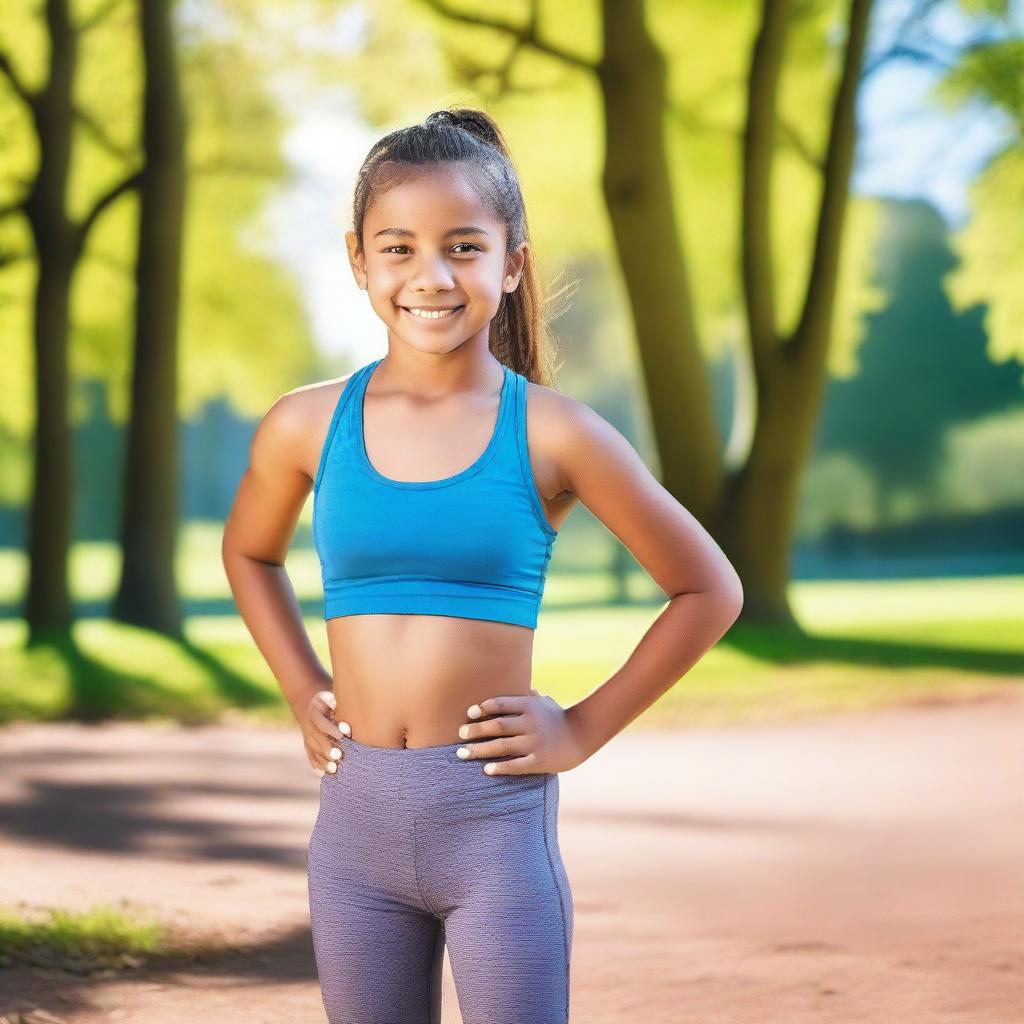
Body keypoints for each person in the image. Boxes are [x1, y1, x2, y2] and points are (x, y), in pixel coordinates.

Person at [222, 106, 743, 1024]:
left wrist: (580, 730)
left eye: (464, 247)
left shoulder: (553, 431)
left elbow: (709, 588)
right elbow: (249, 551)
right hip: (354, 832)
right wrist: (302, 687)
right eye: (399, 248)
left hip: (493, 828)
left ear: (511, 263)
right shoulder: (306, 425)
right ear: (358, 261)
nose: (431, 276)